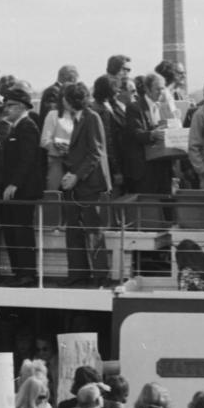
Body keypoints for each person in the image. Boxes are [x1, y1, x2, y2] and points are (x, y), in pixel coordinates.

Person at [61, 82, 111, 288]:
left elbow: (95, 153)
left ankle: (101, 277)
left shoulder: (92, 118)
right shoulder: (77, 119)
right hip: (77, 185)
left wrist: (76, 176)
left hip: (90, 186)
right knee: (73, 230)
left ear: (69, 101)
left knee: (94, 231)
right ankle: (77, 276)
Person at [0, 86, 42, 287]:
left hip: (23, 190)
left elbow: (27, 159)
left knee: (22, 232)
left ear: (23, 106)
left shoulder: (28, 127)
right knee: (15, 231)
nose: (7, 109)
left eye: (12, 105)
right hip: (14, 188)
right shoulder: (17, 127)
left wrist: (14, 183)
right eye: (6, 105)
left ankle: (27, 273)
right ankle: (20, 271)